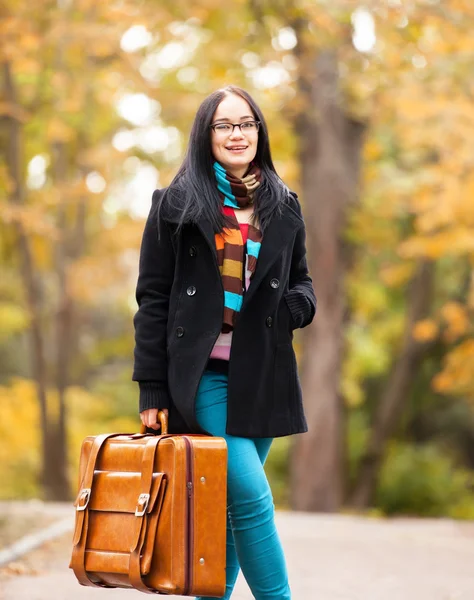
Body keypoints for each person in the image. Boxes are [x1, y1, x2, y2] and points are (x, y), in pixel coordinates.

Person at [132, 84, 317, 600]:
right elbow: (152, 299)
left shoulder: (284, 204)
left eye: (247, 124)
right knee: (253, 501)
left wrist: (295, 309)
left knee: (233, 508)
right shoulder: (176, 205)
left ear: (259, 131)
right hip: (204, 379)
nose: (238, 134)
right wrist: (151, 388)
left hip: (263, 375)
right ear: (205, 135)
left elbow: (302, 280)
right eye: (225, 125)